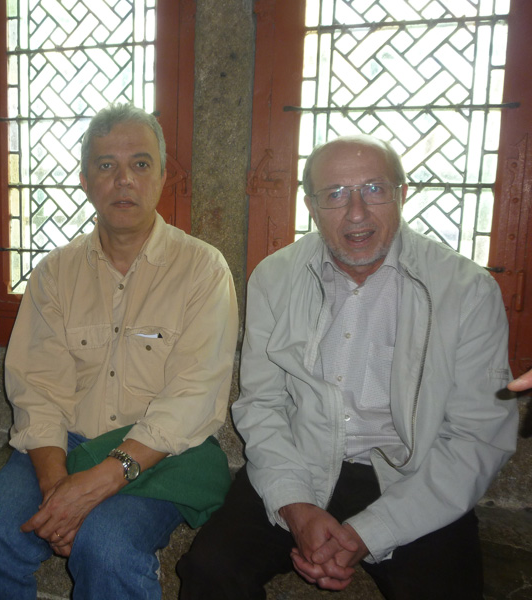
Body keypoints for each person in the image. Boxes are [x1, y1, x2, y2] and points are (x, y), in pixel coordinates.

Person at [177, 134, 519, 599]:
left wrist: (370, 532)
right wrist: (295, 505)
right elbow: (261, 404)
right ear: (311, 206)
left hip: (413, 477)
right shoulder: (275, 277)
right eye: (335, 194)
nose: (357, 213)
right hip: (300, 460)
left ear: (402, 194)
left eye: (374, 190)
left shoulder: (466, 290)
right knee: (210, 570)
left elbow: (477, 435)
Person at [0, 103, 238, 599]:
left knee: (106, 546)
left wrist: (99, 482)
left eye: (140, 164)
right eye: (106, 165)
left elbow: (193, 396)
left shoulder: (202, 269)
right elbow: (37, 388)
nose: (124, 180)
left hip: (162, 453)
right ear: (85, 181)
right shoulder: (55, 272)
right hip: (63, 445)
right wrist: (57, 490)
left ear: (163, 176)